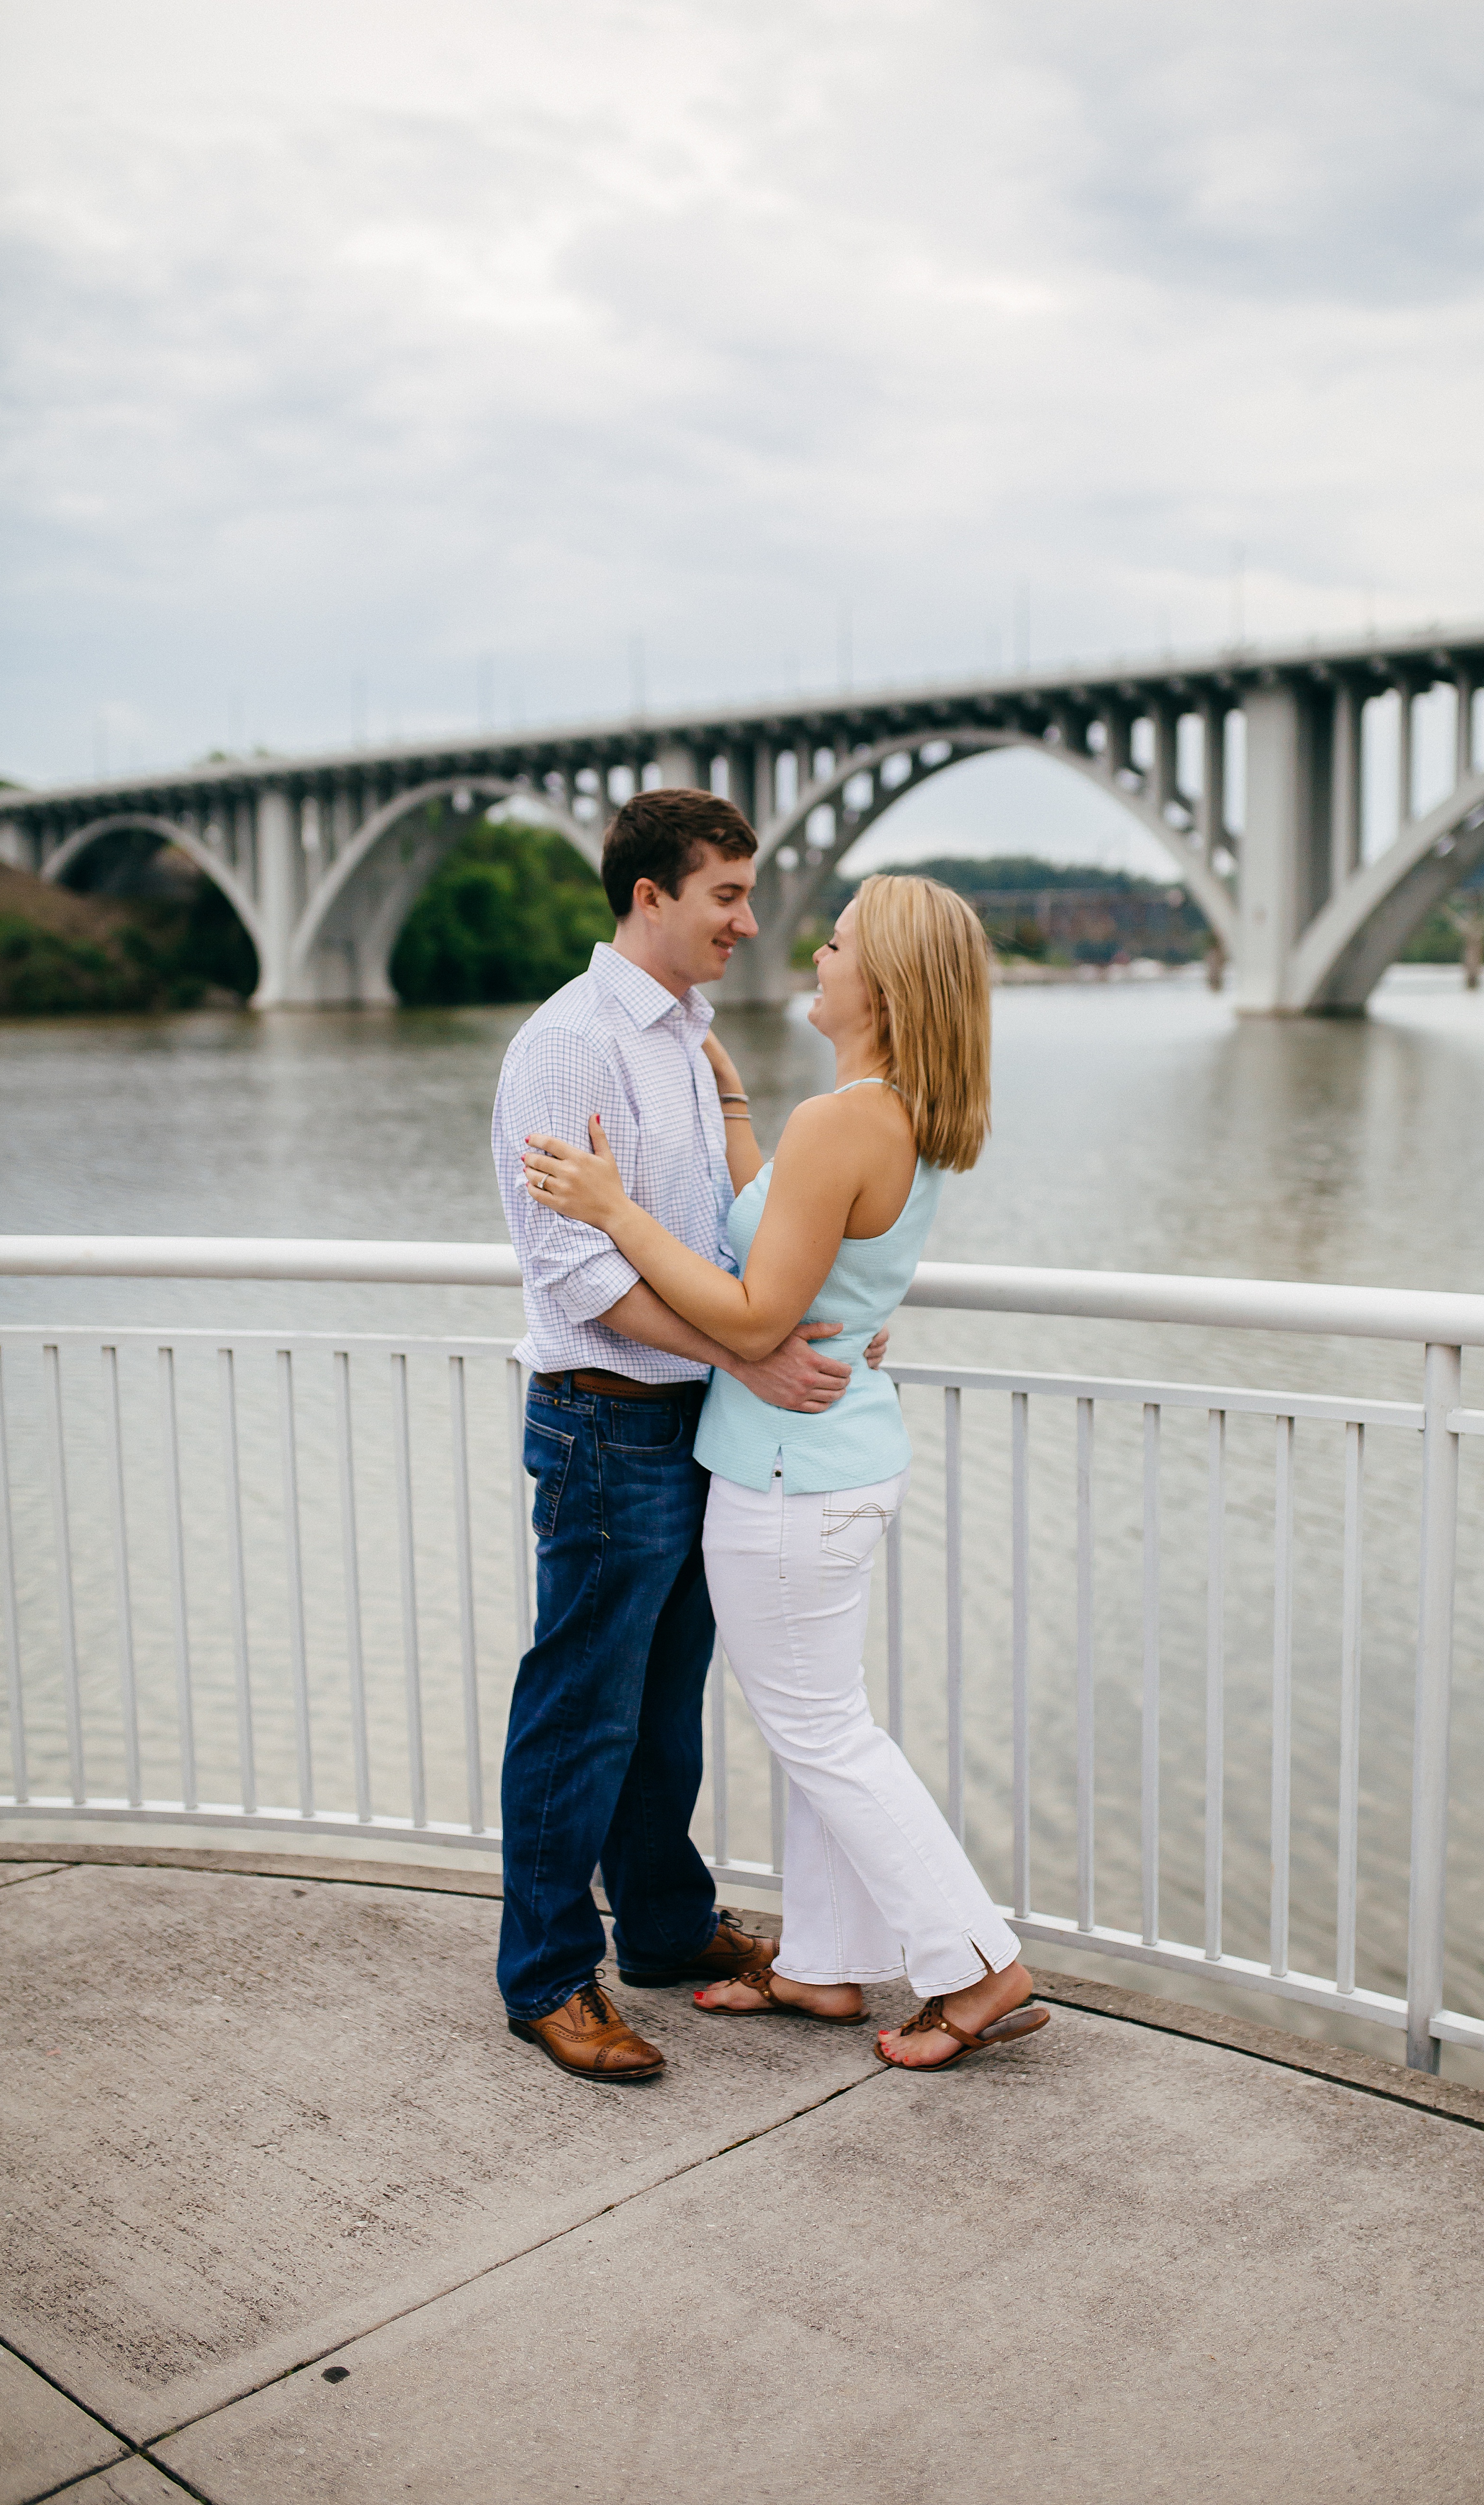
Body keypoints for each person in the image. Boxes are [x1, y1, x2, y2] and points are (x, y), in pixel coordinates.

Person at [523, 872, 1049, 2073]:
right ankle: (819, 1966)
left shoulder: (846, 1121)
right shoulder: (879, 1110)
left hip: (788, 1473)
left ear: (886, 982)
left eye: (840, 940)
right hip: (831, 1461)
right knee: (820, 1723)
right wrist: (738, 1101)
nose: (813, 950)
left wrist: (612, 1209)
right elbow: (783, 1225)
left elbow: (756, 1317)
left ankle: (975, 1965)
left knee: (822, 1733)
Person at [491, 786, 892, 2083]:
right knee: (580, 1711)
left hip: (695, 1425)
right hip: (606, 1425)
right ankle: (549, 1974)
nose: (748, 918)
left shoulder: (685, 1039)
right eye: (725, 894)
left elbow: (724, 1239)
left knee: (665, 1711)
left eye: (749, 892)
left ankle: (663, 1929)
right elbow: (578, 1276)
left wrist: (816, 1321)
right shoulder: (570, 1044)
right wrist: (746, 1352)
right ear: (648, 896)